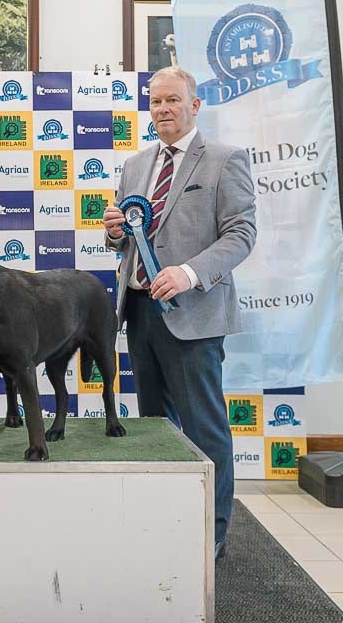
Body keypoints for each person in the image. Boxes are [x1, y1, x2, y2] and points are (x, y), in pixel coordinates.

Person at [103, 66, 256, 560]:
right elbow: (128, 239)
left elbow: (241, 234)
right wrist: (114, 233)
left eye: (172, 100)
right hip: (139, 312)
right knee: (155, 428)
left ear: (194, 104)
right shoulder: (135, 165)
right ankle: (165, 524)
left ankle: (212, 534)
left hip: (194, 314)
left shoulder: (226, 159)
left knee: (204, 429)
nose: (163, 109)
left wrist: (189, 273)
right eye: (155, 101)